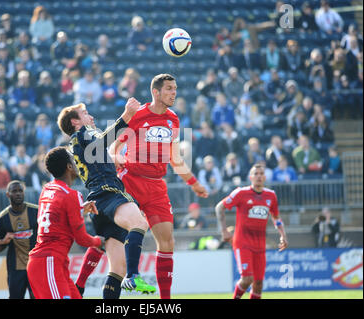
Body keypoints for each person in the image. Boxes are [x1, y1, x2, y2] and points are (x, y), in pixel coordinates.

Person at [111, 74, 209, 299]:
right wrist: (115, 156)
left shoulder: (173, 119)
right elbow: (113, 147)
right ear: (156, 92)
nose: (174, 93)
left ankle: (165, 301)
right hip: (131, 182)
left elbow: (175, 158)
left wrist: (193, 183)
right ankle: (81, 285)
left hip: (156, 187)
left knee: (167, 241)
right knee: (112, 237)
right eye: (169, 89)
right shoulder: (137, 115)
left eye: (175, 89)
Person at [56, 99, 156, 297]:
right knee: (139, 223)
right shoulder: (83, 133)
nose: (91, 116)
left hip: (99, 201)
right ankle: (134, 276)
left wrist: (112, 162)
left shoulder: (80, 141)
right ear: (76, 122)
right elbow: (101, 142)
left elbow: (96, 156)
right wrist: (127, 115)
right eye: (85, 114)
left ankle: (84, 287)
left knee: (116, 270)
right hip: (108, 193)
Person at [26, 147, 103, 299]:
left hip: (53, 263)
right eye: (73, 160)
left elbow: (55, 217)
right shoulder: (72, 195)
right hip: (48, 262)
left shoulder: (47, 189)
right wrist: (99, 241)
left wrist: (79, 210)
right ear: (69, 166)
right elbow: (82, 239)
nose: (76, 163)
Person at [215, 164, 288, 299]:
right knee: (247, 278)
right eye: (256, 174)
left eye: (261, 173)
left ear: (265, 177)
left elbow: (276, 218)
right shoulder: (241, 193)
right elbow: (220, 207)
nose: (259, 176)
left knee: (259, 283)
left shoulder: (271, 196)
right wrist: (224, 230)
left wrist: (283, 235)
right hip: (243, 242)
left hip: (260, 245)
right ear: (250, 177)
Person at [0, 181, 38, 299]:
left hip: (36, 266)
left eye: (20, 191)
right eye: (14, 191)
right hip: (15, 268)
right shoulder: (3, 218)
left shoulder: (36, 212)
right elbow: (2, 243)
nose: (18, 194)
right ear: (8, 195)